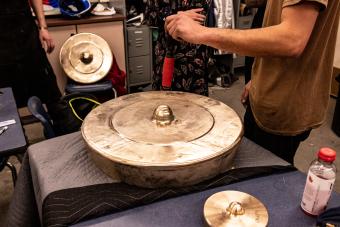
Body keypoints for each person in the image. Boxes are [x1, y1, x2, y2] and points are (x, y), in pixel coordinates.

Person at [165, 0, 340, 164]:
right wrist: (259, 77)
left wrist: (200, 33)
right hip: (271, 91)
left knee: (263, 180)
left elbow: (291, 40)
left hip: (283, 101)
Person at [0, 0, 61, 121]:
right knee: (6, 101)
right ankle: (17, 138)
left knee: (50, 92)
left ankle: (63, 130)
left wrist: (43, 27)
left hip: (25, 32)